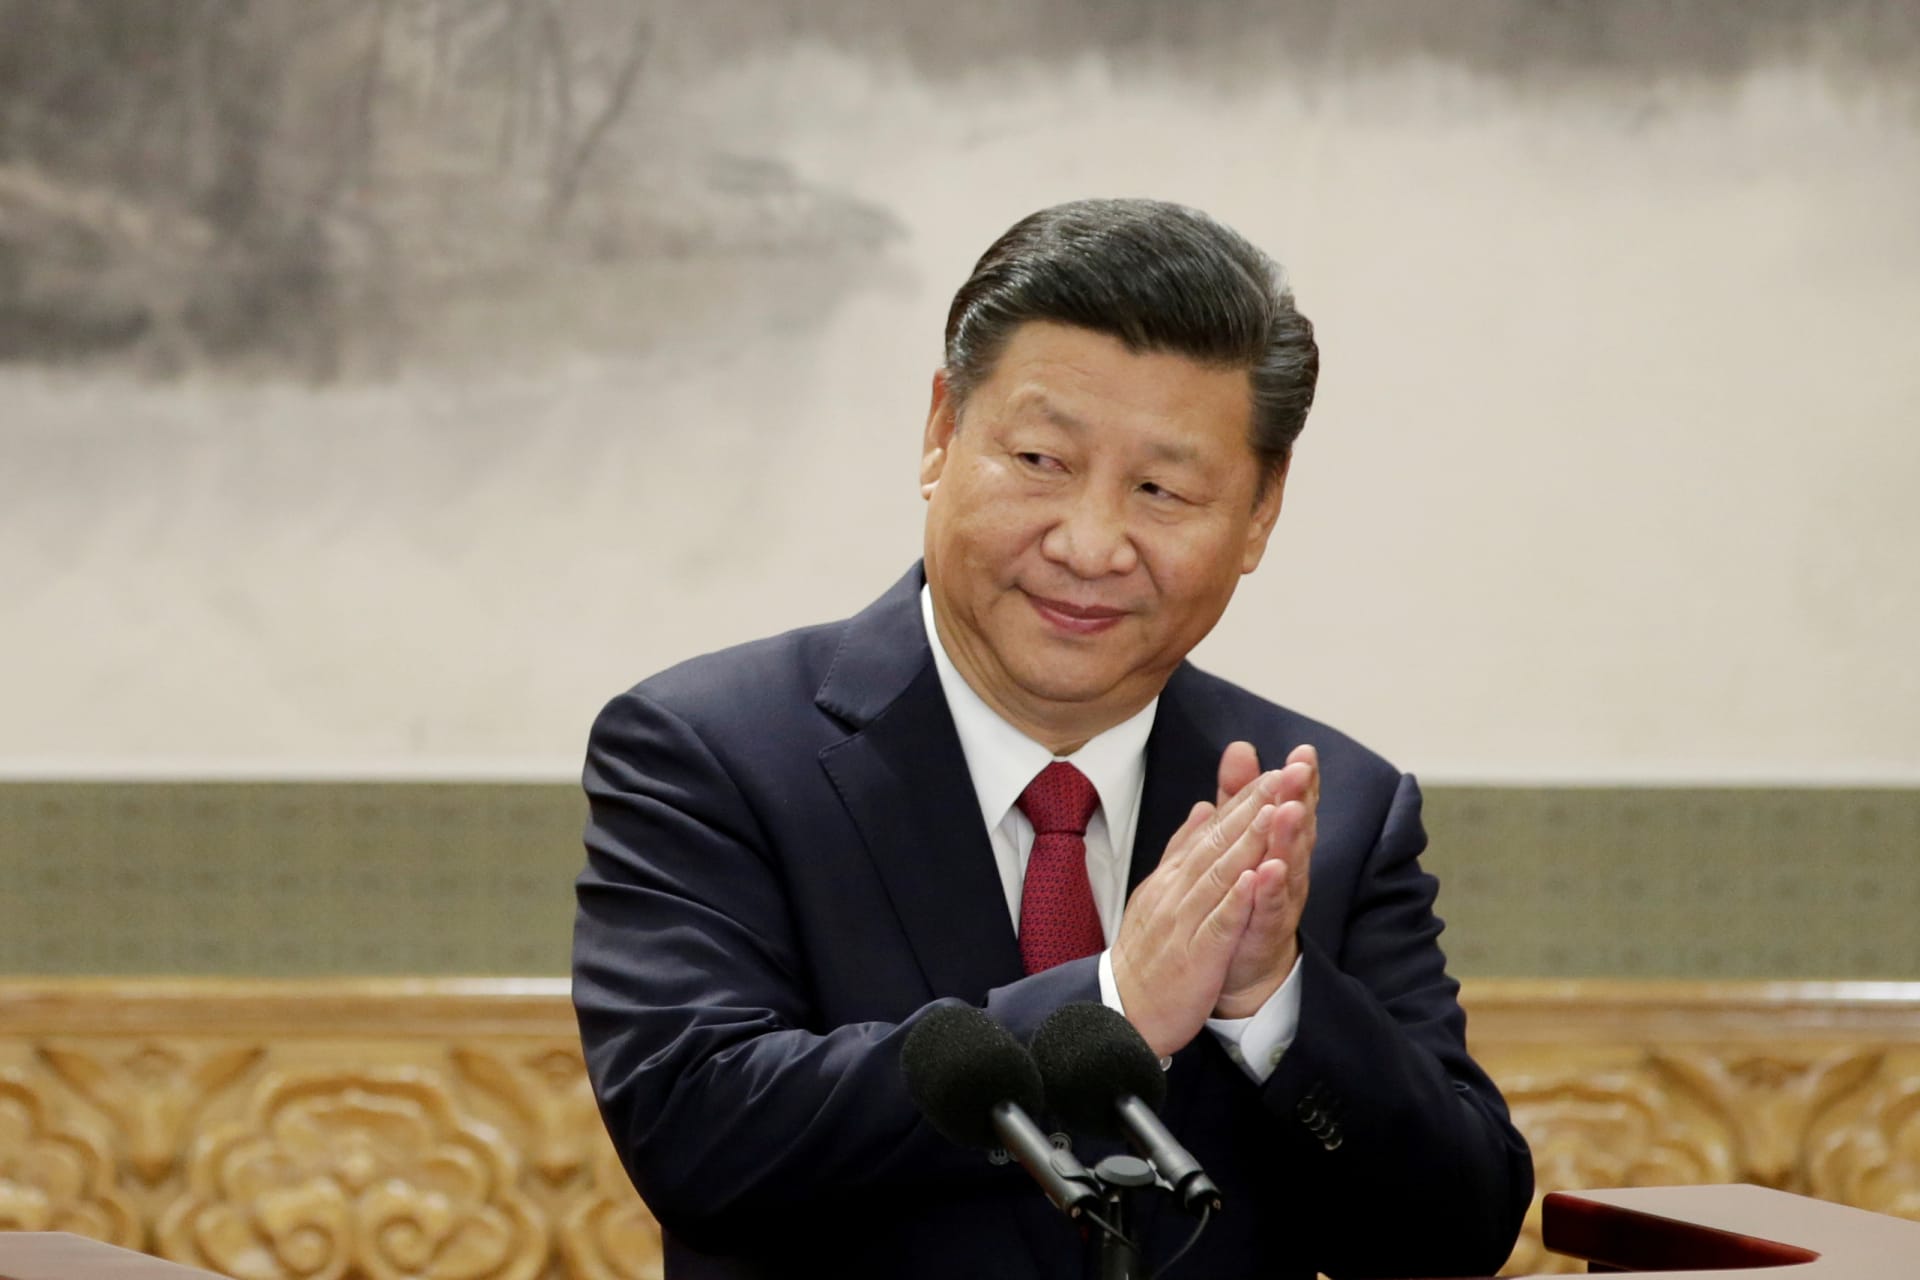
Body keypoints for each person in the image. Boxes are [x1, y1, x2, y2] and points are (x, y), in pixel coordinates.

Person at [573, 198, 1533, 1279]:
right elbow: (700, 1136)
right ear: (941, 431)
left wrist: (1272, 999)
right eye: (1039, 459)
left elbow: (1458, 1227)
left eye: (1163, 489)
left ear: (1260, 512)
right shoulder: (710, 751)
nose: (1089, 543)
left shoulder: (1325, 806)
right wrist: (1114, 1004)